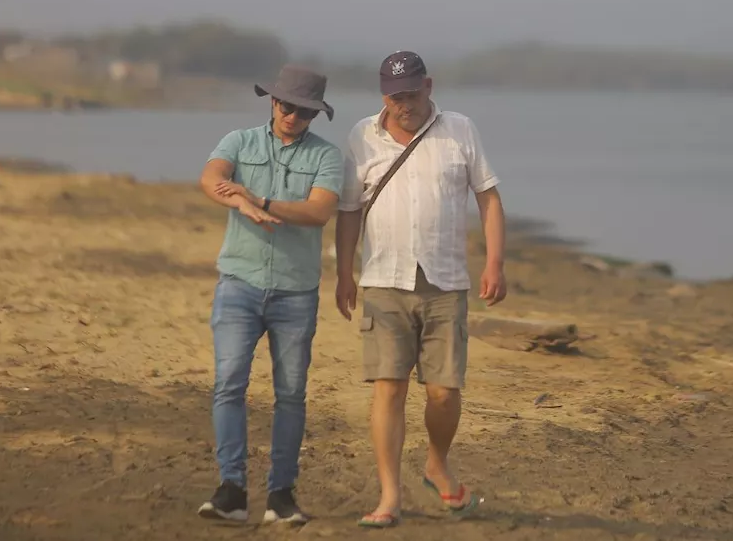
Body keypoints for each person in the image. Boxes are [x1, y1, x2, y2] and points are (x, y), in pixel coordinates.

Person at [334, 51, 507, 529]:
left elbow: (488, 198)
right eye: (394, 97)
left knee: (444, 393)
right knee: (388, 388)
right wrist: (344, 271)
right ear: (382, 95)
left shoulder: (460, 130)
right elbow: (349, 210)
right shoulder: (361, 136)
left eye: (410, 94)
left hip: (446, 281)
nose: (402, 105)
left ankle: (436, 461)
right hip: (384, 280)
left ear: (428, 86)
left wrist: (494, 262)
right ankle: (390, 494)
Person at [195, 64, 344, 525]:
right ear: (272, 101)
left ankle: (281, 494)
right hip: (238, 283)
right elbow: (211, 177)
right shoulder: (239, 141)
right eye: (286, 105)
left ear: (315, 115)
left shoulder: (328, 157)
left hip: (296, 292)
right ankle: (232, 490)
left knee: (292, 394)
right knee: (229, 385)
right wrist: (236, 200)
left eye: (303, 111)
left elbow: (319, 212)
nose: (292, 116)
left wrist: (256, 200)